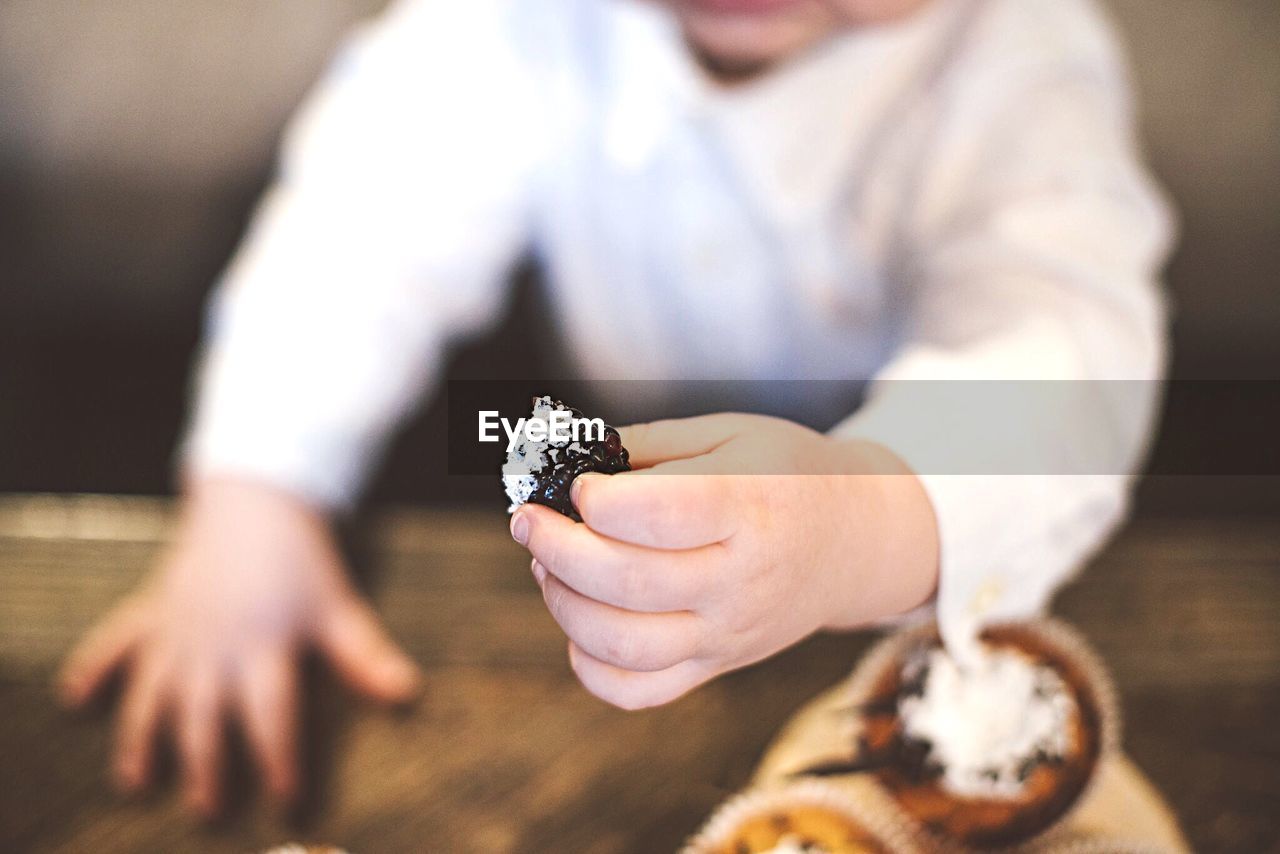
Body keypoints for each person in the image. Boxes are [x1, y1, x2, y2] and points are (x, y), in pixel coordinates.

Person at [58, 0, 1172, 818]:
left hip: (918, 599)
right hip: (593, 526)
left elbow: (1064, 360)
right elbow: (359, 225)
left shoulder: (1018, 61)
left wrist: (864, 519)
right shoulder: (514, 28)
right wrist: (258, 486)